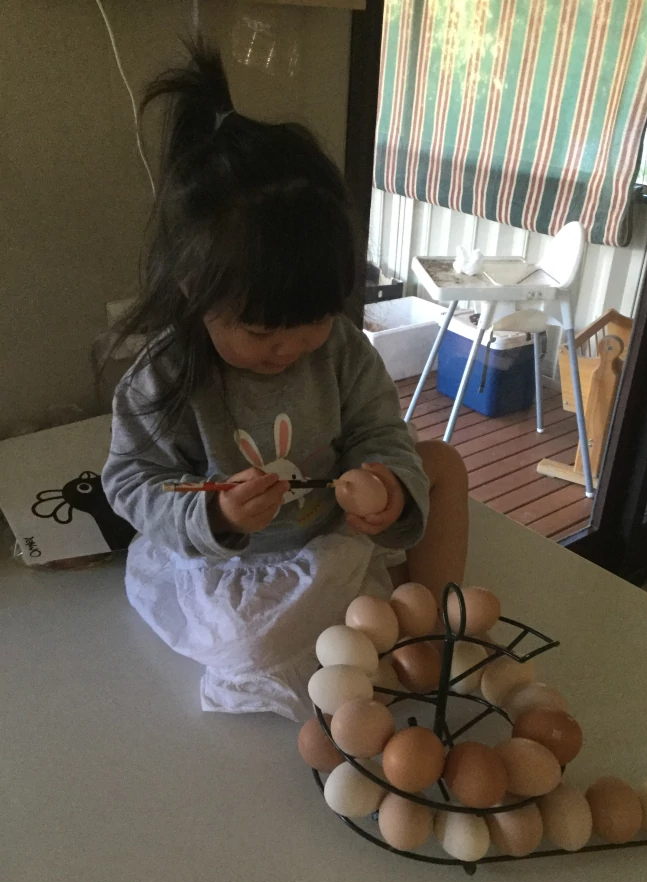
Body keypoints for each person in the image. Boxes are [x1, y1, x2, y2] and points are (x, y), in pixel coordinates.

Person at [102, 40, 468, 720]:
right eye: (261, 331)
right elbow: (130, 480)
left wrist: (386, 485)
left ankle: (439, 630)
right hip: (230, 566)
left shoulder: (342, 351)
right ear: (195, 294)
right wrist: (214, 516)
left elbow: (380, 430)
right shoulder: (169, 373)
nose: (290, 348)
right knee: (253, 645)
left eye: (314, 321)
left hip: (325, 540)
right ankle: (356, 629)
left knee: (440, 461)